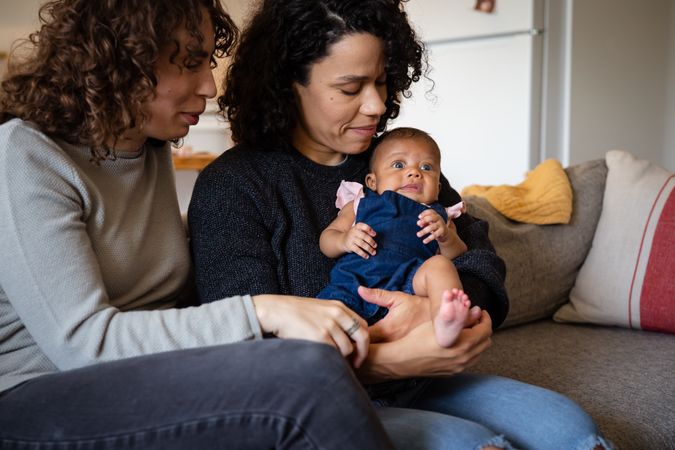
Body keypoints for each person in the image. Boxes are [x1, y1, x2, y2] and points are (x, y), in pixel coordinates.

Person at [188, 1, 613, 449]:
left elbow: (482, 262)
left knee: (573, 429)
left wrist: (439, 313)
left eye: (381, 80)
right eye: (351, 88)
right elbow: (247, 347)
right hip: (318, 400)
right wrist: (393, 357)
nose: (376, 105)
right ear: (287, 85)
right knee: (471, 443)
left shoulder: (401, 165)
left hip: (429, 381)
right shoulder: (234, 187)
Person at [0, 1, 396, 448]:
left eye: (207, 61)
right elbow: (83, 344)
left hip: (146, 374)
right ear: (120, 60)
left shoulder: (145, 146)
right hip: (34, 397)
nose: (209, 85)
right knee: (304, 379)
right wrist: (264, 309)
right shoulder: (25, 154)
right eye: (190, 62)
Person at [318, 127, 481, 348]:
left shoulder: (439, 215)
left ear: (439, 187)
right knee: (322, 329)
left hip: (409, 283)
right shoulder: (360, 203)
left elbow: (458, 254)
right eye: (399, 165)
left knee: (440, 266)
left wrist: (445, 238)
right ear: (372, 182)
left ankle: (446, 318)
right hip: (354, 284)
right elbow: (327, 240)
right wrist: (344, 240)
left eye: (426, 167)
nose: (415, 173)